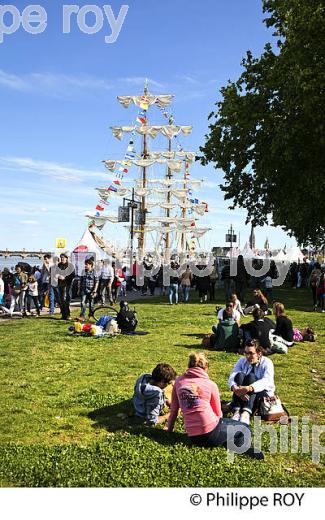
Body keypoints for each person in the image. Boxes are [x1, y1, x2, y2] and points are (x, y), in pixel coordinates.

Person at [166, 352, 263, 459]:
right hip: (210, 432)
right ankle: (241, 449)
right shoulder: (210, 384)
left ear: (189, 365)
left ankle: (225, 440)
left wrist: (168, 430)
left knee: (226, 429)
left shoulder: (179, 381)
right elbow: (218, 413)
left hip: (193, 436)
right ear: (206, 367)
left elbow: (174, 410)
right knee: (245, 428)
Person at [228, 339, 275, 425]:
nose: (247, 356)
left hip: (262, 394)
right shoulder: (242, 361)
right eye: (246, 353)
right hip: (242, 394)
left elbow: (266, 381)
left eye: (251, 353)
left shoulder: (267, 363)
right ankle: (237, 411)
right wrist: (234, 387)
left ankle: (246, 412)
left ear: (259, 353)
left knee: (251, 377)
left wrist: (249, 388)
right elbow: (233, 375)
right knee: (239, 375)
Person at [53, 253, 75, 320]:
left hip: (67, 284)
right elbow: (55, 273)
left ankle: (67, 315)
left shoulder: (70, 266)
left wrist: (65, 277)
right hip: (60, 285)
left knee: (66, 300)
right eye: (61, 257)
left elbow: (73, 275)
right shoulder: (58, 265)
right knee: (61, 300)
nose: (62, 258)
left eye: (63, 257)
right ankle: (63, 315)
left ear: (66, 258)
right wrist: (57, 276)